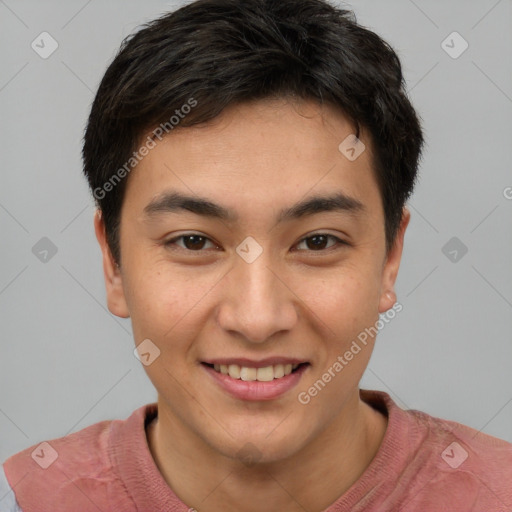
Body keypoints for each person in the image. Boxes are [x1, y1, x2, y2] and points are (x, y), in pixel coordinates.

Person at [2, 0, 511, 510]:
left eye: (318, 241)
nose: (258, 318)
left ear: (390, 256)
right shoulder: (29, 498)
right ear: (113, 262)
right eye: (194, 241)